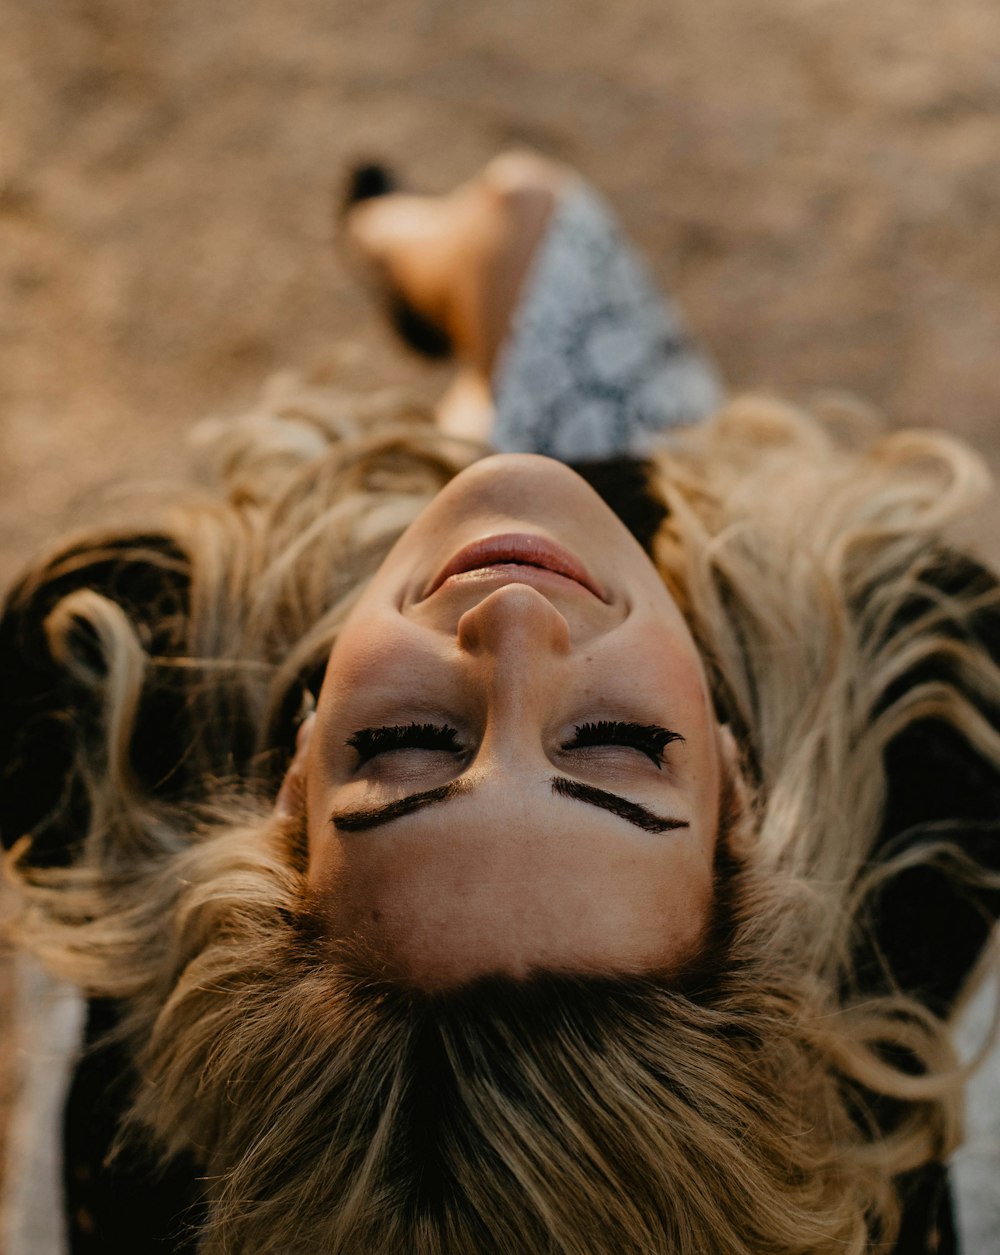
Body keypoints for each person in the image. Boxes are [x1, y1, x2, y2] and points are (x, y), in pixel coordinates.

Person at [2, 151, 999, 1255]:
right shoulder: (938, 773)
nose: (516, 626)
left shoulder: (118, 693)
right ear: (738, 797)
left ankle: (404, 260)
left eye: (410, 742)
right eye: (616, 745)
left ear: (287, 790)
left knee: (509, 272)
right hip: (679, 536)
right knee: (533, 226)